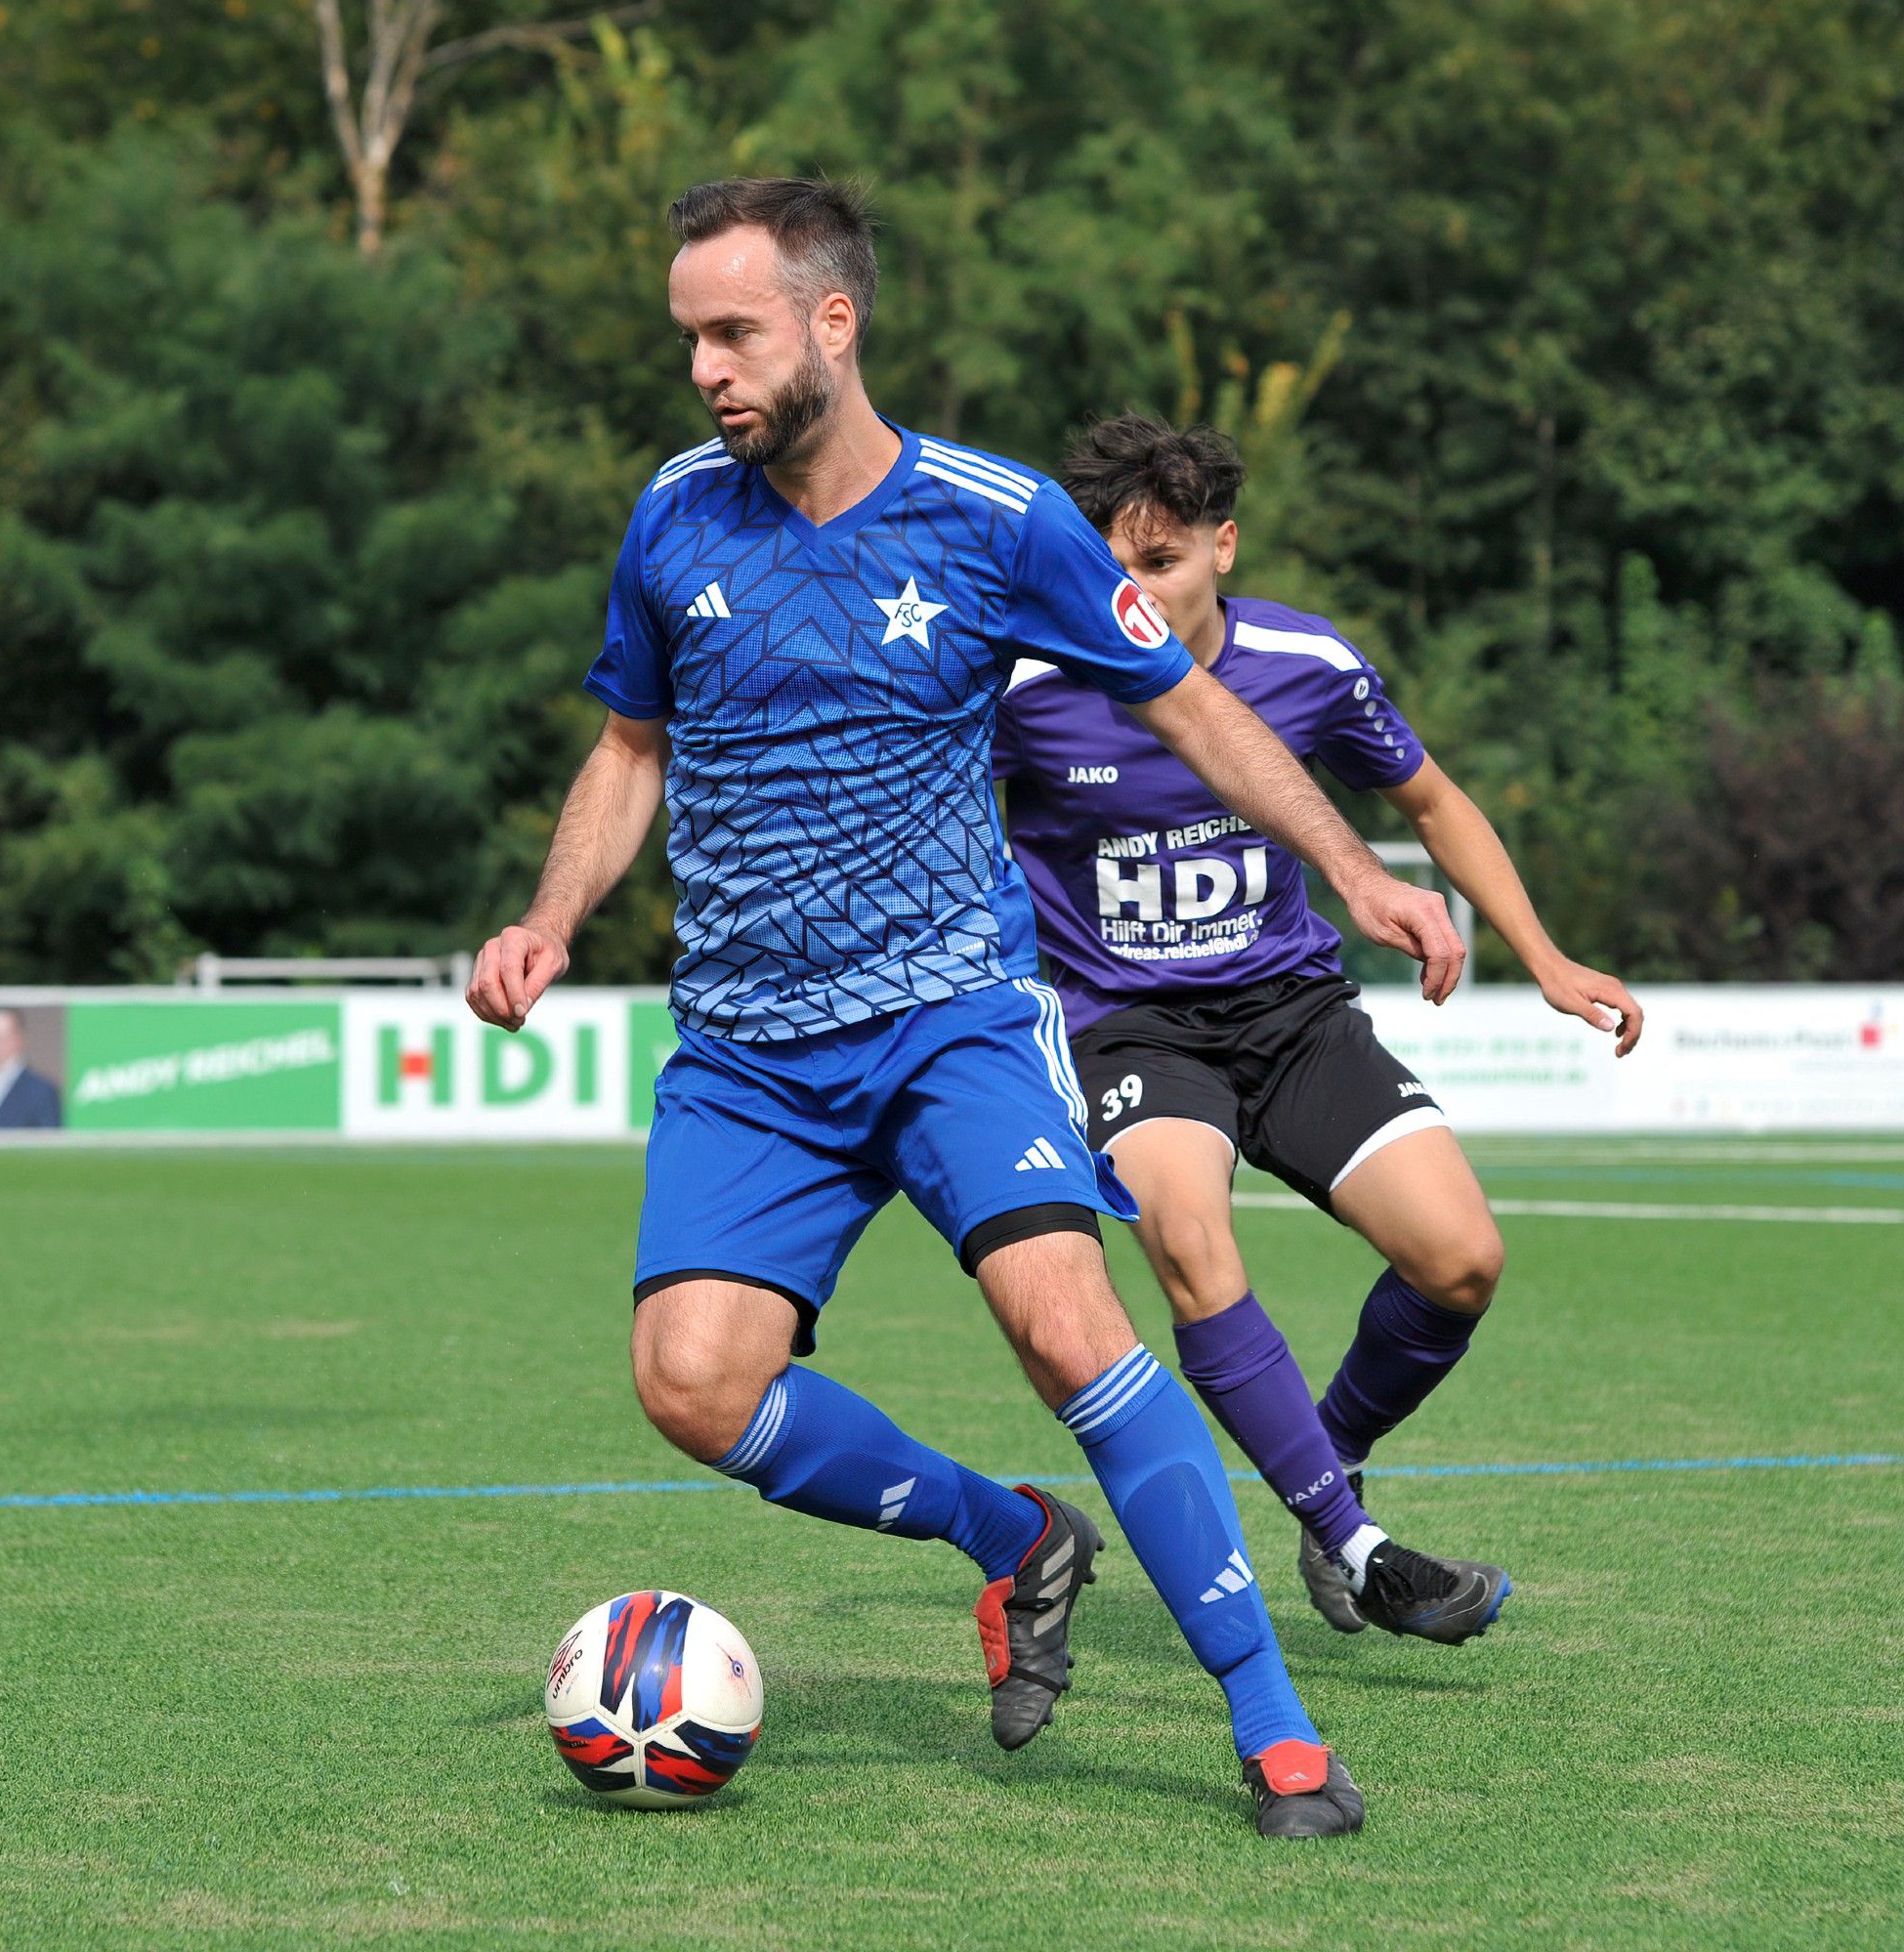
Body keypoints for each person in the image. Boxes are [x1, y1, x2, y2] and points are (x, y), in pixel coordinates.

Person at [468, 181, 1464, 1838]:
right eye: (688, 337)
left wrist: (1353, 871)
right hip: (746, 1048)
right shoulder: (670, 517)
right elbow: (630, 745)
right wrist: (549, 916)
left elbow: (1195, 707)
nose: (706, 367)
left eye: (734, 330)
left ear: (831, 322)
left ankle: (1274, 1727)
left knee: (1070, 1322)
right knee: (693, 1384)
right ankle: (1011, 1540)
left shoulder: (997, 519)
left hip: (954, 1015)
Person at [995, 414, 1643, 1643]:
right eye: (1110, 565)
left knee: (1460, 1260)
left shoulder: (1306, 663)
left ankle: (1322, 1469)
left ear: (1222, 546)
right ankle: (1359, 1546)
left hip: (1291, 1015)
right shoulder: (1024, 684)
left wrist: (1545, 957)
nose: (1130, 593)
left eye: (1163, 561)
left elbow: (1431, 798)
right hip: (1127, 1030)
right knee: (1189, 1243)